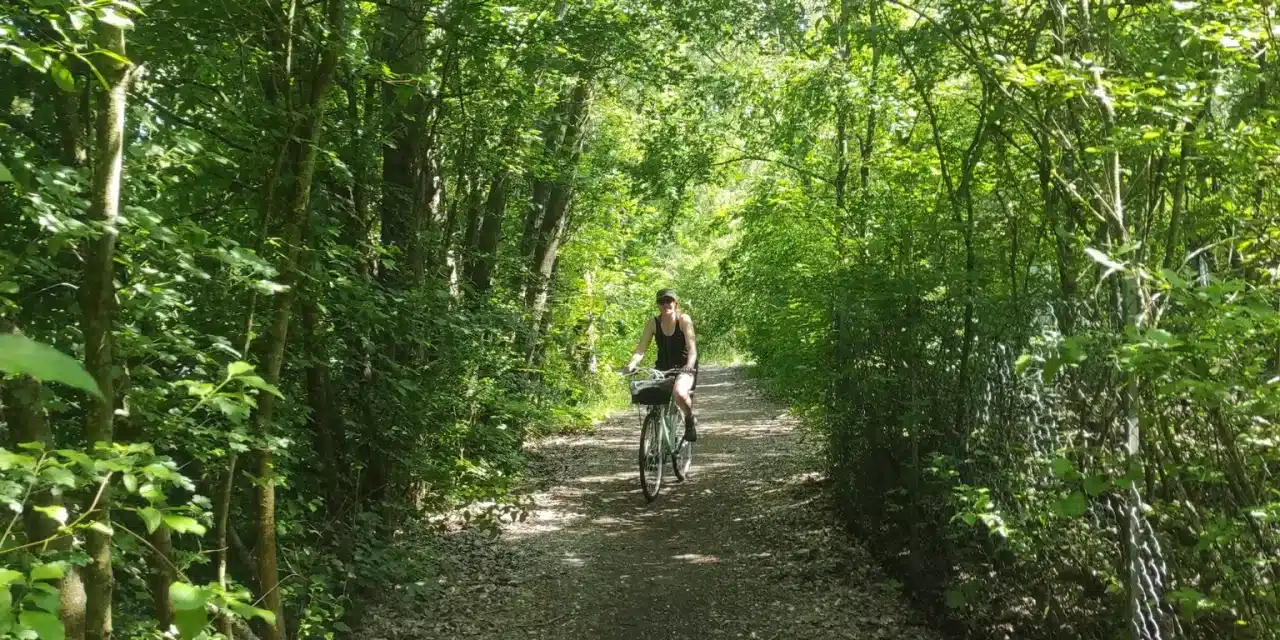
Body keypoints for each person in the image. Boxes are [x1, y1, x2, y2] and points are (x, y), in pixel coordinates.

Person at [622, 288, 699, 442]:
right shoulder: (653, 323)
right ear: (658, 305)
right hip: (662, 367)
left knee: (679, 393)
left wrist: (689, 365)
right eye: (661, 302)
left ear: (675, 303)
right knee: (651, 398)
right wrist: (632, 364)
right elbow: (641, 348)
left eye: (669, 301)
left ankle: (689, 420)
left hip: (684, 366)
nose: (665, 305)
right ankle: (655, 445)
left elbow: (692, 349)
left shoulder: (683, 320)